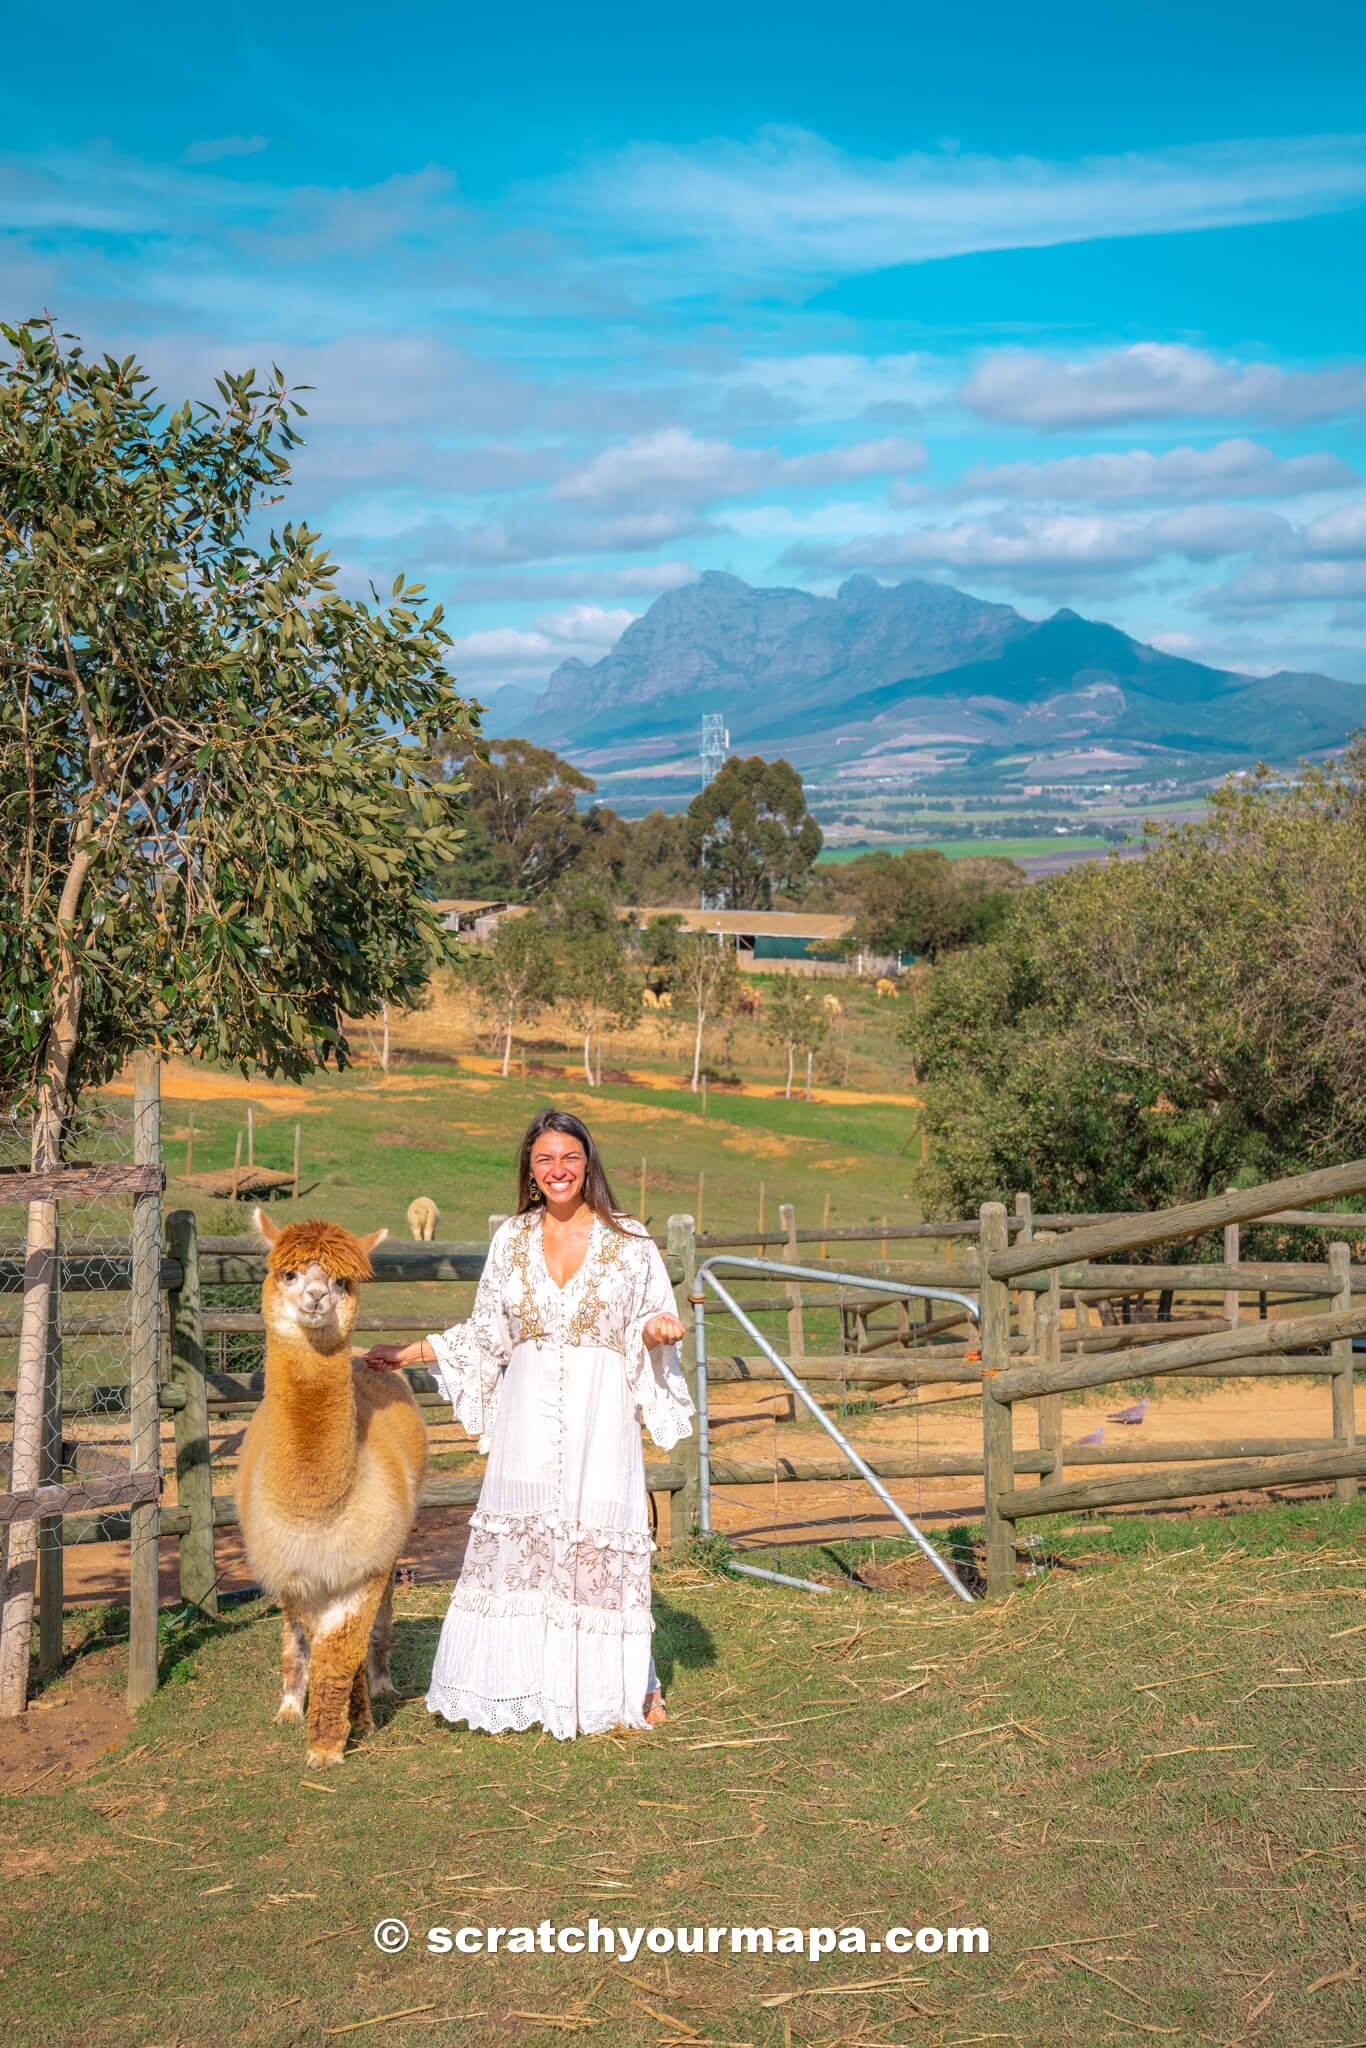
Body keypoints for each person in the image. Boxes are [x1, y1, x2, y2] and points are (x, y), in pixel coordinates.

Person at [364, 1109, 694, 1739]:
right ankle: (519, 1685)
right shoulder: (512, 1239)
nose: (558, 1169)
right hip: (528, 1415)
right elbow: (489, 1331)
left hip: (602, 1417)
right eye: (545, 1159)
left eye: (569, 1156)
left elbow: (654, 1312)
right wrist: (413, 1352)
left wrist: (656, 1330)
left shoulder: (629, 1239)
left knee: (597, 1541)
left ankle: (627, 1687)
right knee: (528, 1548)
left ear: (588, 1162)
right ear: (530, 1170)